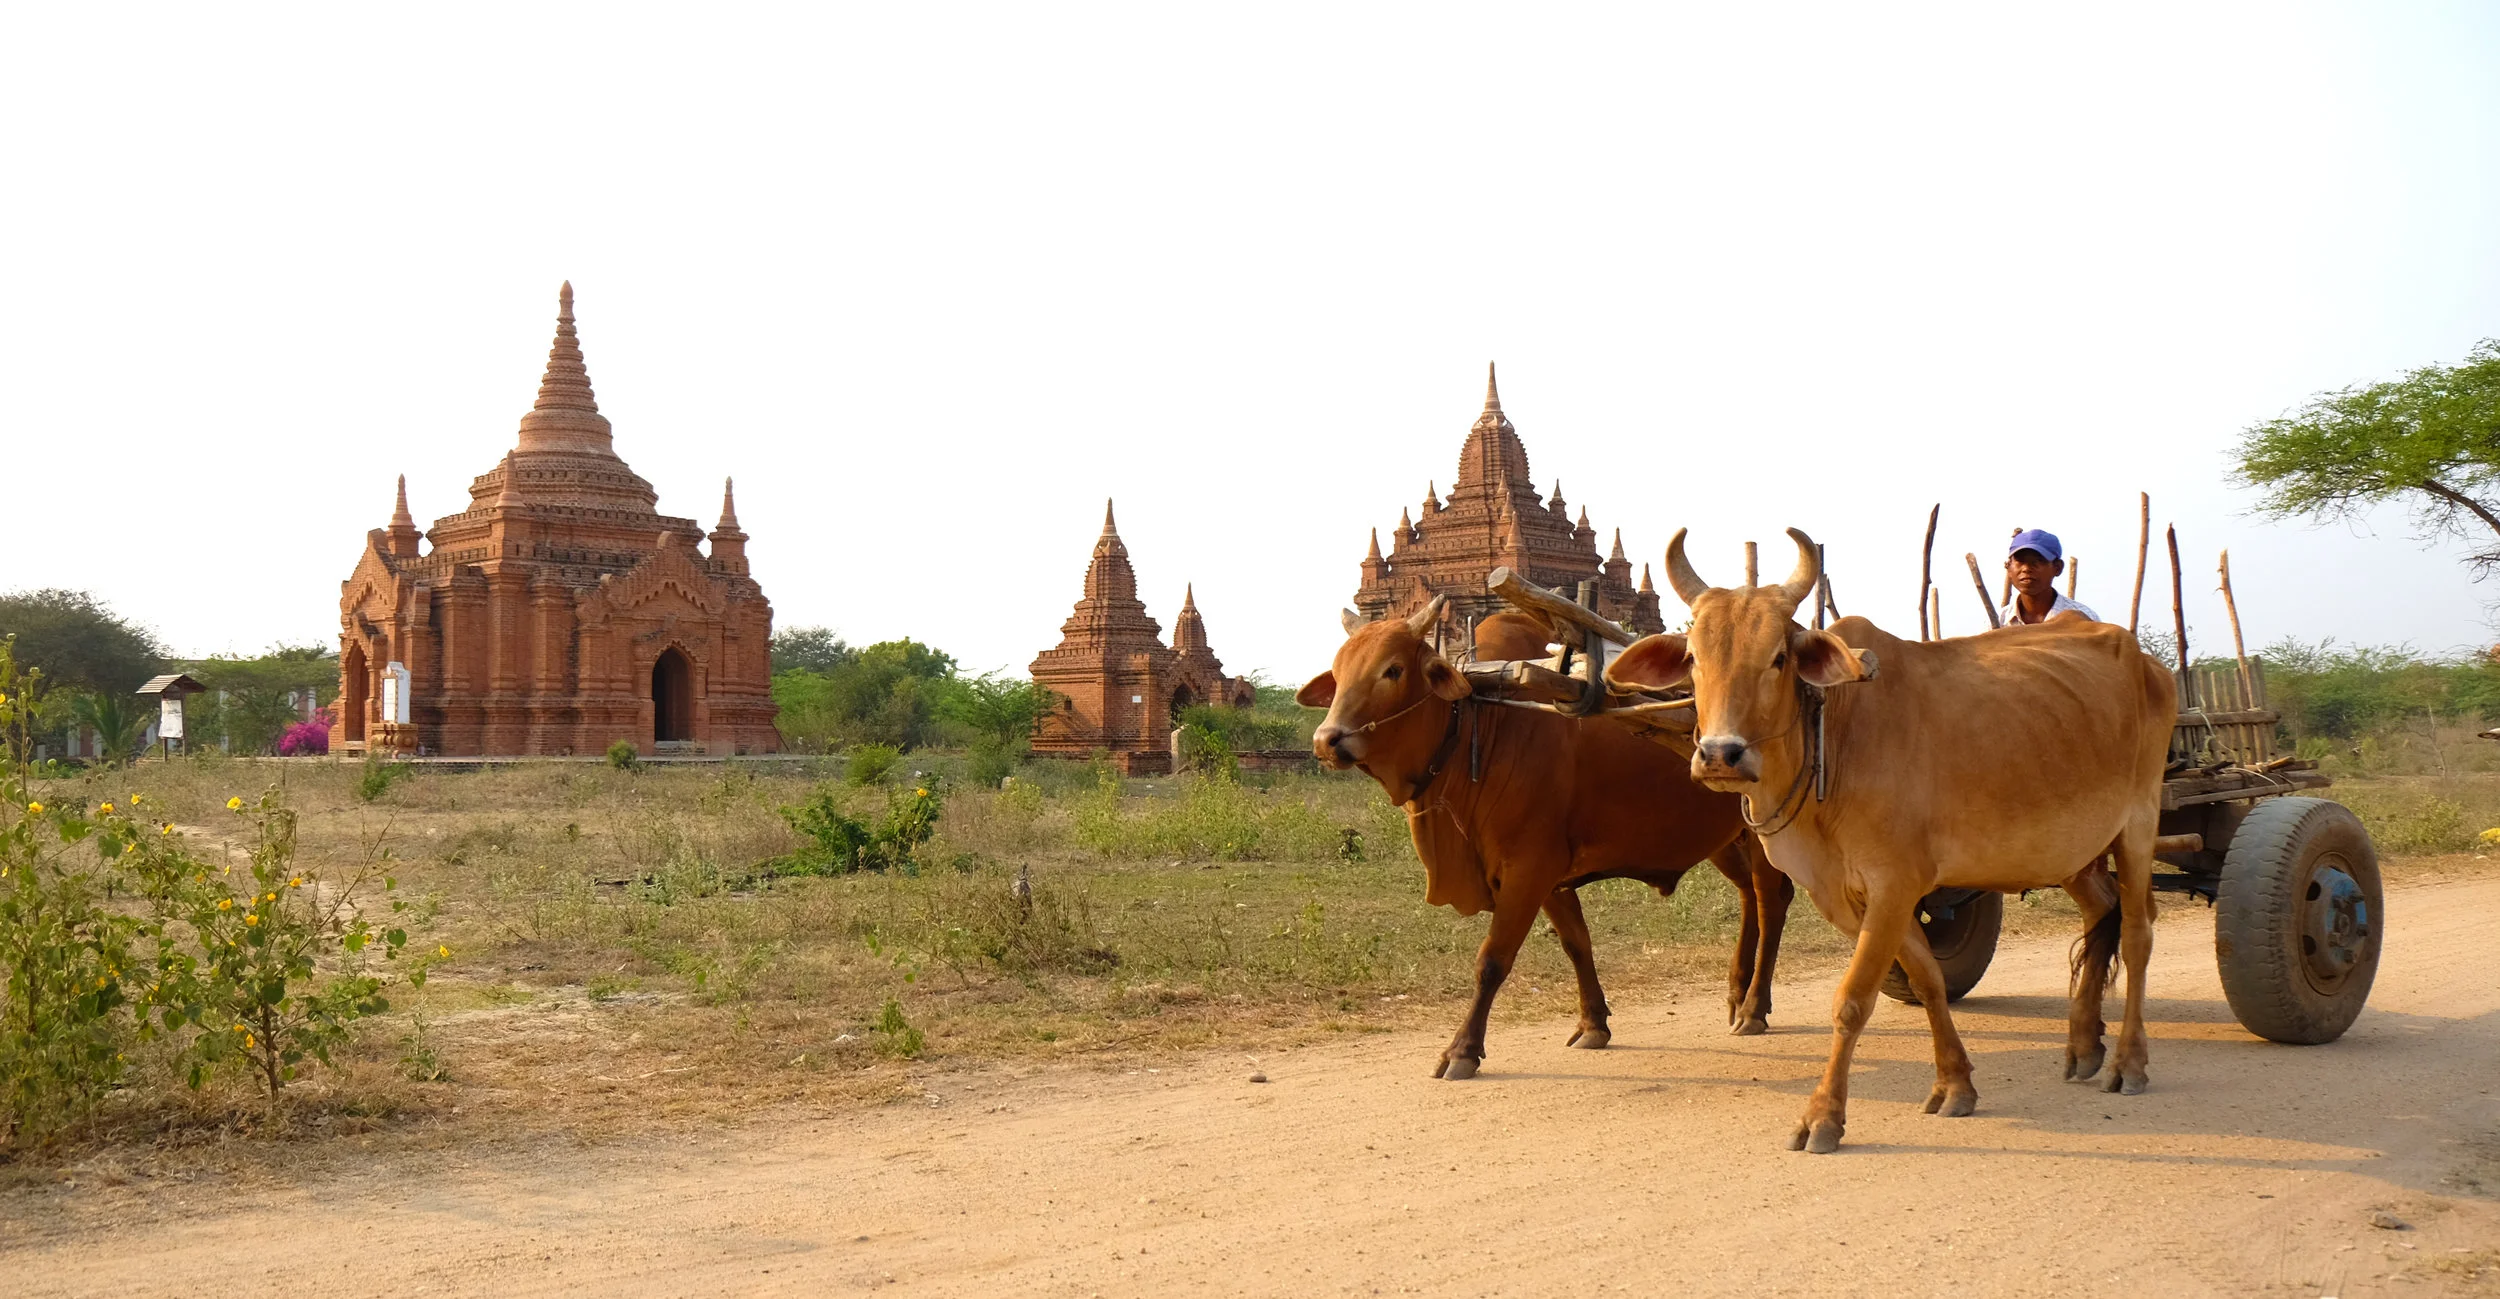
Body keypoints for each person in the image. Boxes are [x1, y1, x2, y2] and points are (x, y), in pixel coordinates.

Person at [2001, 528, 2100, 625]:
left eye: (2037, 561)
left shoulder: (2084, 620)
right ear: (2009, 568)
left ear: (2058, 568)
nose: (2026, 569)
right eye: (2020, 561)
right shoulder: (1999, 622)